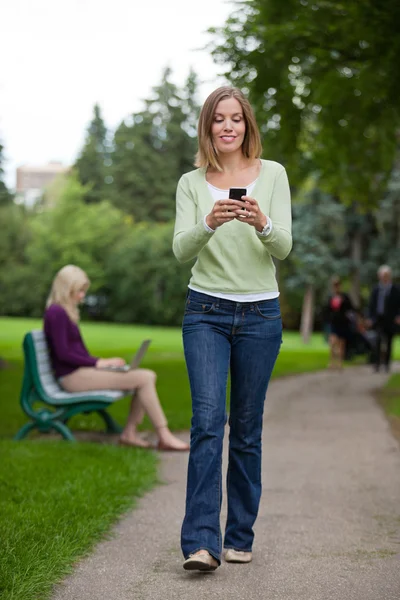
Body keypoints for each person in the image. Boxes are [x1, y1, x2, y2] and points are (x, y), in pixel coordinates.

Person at [173, 86, 292, 571]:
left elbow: (283, 247)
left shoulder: (275, 175)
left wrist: (261, 222)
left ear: (247, 126)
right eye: (218, 119)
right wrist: (209, 222)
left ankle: (239, 535)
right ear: (208, 126)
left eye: (236, 119)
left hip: (261, 314)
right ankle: (202, 542)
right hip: (205, 311)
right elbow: (181, 249)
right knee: (206, 424)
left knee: (246, 429)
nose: (227, 126)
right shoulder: (191, 182)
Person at [43, 264, 189, 451]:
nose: (82, 296)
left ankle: (131, 433)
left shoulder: (63, 312)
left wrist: (103, 364)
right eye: (79, 291)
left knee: (143, 376)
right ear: (65, 289)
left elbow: (76, 353)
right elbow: (63, 353)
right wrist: (99, 363)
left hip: (79, 373)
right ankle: (162, 435)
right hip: (72, 378)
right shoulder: (56, 313)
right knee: (145, 377)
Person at [366, 265, 400, 372]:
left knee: (389, 342)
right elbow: (371, 305)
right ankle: (377, 363)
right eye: (382, 275)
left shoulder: (395, 289)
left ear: (389, 276)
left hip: (391, 319)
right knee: (377, 341)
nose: (384, 277)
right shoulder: (376, 289)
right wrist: (370, 318)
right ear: (379, 276)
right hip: (378, 318)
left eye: (386, 275)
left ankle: (386, 364)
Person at [324, 276, 354, 370]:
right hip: (333, 322)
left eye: (337, 285)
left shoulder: (345, 297)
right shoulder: (330, 297)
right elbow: (326, 310)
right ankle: (332, 362)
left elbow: (350, 309)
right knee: (332, 342)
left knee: (341, 343)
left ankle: (340, 362)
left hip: (343, 323)